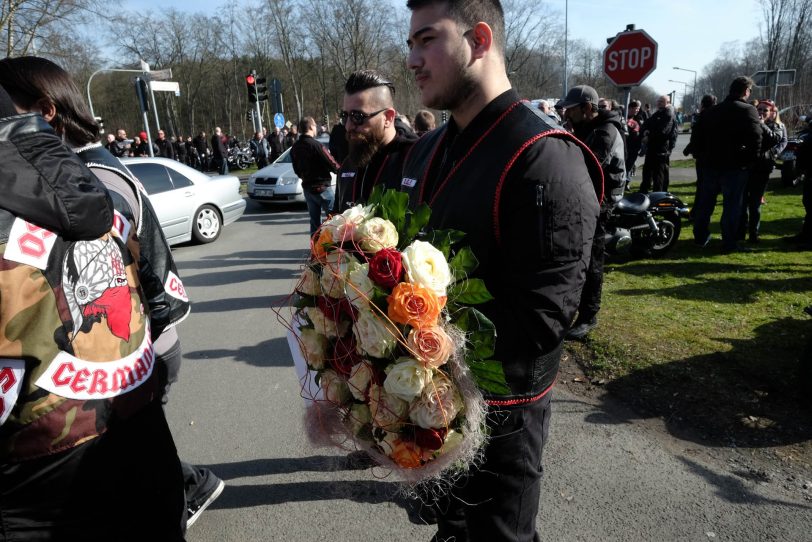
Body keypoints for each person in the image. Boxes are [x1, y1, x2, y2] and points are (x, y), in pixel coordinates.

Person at [0, 55, 226, 532]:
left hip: (54, 452)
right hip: (123, 399)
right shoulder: (103, 178)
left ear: (44, 112)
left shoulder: (100, 178)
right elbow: (154, 292)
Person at [403, 1, 601, 539]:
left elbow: (540, 322)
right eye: (410, 45)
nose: (413, 60)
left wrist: (415, 340)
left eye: (427, 40)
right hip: (432, 405)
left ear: (480, 39)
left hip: (505, 417)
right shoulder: (424, 152)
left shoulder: (545, 158)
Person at [559, 85, 625, 340]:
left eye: (571, 110)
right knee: (580, 258)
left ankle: (588, 317)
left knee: (593, 260)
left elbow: (586, 167)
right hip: (587, 199)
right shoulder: (588, 128)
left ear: (588, 108)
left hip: (601, 201)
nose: (567, 115)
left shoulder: (605, 132)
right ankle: (574, 311)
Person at [332, 70, 418, 213]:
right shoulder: (349, 164)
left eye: (357, 116)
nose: (348, 126)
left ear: (388, 117)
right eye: (345, 116)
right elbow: (334, 218)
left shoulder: (416, 160)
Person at [693, 76, 762, 253]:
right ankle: (729, 242)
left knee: (705, 203)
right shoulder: (748, 110)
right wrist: (748, 162)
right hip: (734, 166)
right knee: (732, 206)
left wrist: (702, 157)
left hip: (710, 164)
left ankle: (700, 236)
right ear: (746, 91)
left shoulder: (712, 111)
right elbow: (756, 140)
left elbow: (698, 137)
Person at [739, 100, 782, 243]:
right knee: (742, 201)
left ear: (771, 113)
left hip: (762, 168)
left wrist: (762, 124)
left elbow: (775, 140)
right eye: (760, 109)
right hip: (747, 166)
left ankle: (753, 234)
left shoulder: (776, 126)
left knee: (755, 203)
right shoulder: (750, 123)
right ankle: (741, 231)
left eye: (765, 110)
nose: (761, 112)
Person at [290, 116, 340, 235]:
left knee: (315, 223)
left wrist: (305, 177)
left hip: (308, 189)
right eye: (315, 125)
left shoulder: (295, 147)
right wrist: (340, 170)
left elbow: (296, 169)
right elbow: (331, 162)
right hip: (322, 188)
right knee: (334, 221)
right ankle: (333, 249)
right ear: (311, 127)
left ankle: (315, 250)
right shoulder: (316, 145)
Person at [683, 94, 718, 225]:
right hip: (712, 156)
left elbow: (697, 137)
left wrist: (689, 150)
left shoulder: (702, 117)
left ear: (703, 104)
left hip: (703, 157)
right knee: (706, 187)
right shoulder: (716, 117)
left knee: (703, 187)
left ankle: (697, 213)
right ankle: (698, 213)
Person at [639, 95, 676, 193]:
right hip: (652, 147)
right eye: (658, 101)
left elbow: (663, 131)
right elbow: (646, 124)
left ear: (667, 103)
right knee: (647, 171)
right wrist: (645, 131)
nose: (659, 103)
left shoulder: (668, 114)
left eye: (662, 101)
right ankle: (644, 191)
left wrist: (649, 136)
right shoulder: (658, 113)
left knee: (658, 174)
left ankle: (658, 194)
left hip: (661, 149)